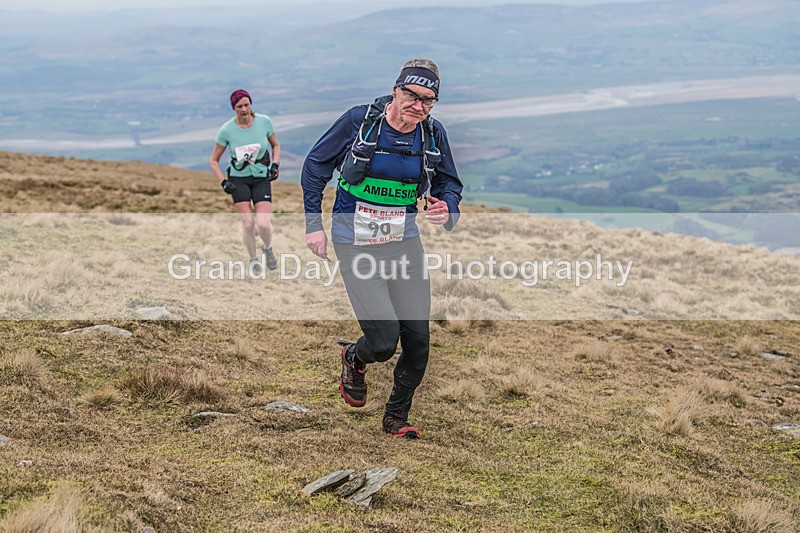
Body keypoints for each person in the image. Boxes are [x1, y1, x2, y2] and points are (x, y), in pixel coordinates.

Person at [301, 58, 463, 439]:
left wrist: (446, 207)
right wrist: (314, 225)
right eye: (412, 95)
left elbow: (449, 183)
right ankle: (354, 357)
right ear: (396, 91)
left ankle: (396, 416)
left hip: (403, 243)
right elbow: (315, 166)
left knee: (418, 342)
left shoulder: (432, 134)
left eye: (428, 100)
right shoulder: (359, 121)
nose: (419, 106)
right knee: (383, 341)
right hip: (354, 243)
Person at [210, 89, 281, 276]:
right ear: (233, 108)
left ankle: (268, 248)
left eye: (247, 105)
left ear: (251, 105)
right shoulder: (226, 130)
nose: (244, 109)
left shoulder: (264, 122)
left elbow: (276, 145)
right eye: (239, 106)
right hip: (238, 180)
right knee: (248, 223)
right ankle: (253, 260)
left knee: (264, 224)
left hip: (261, 177)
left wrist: (275, 165)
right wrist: (223, 182)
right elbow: (213, 160)